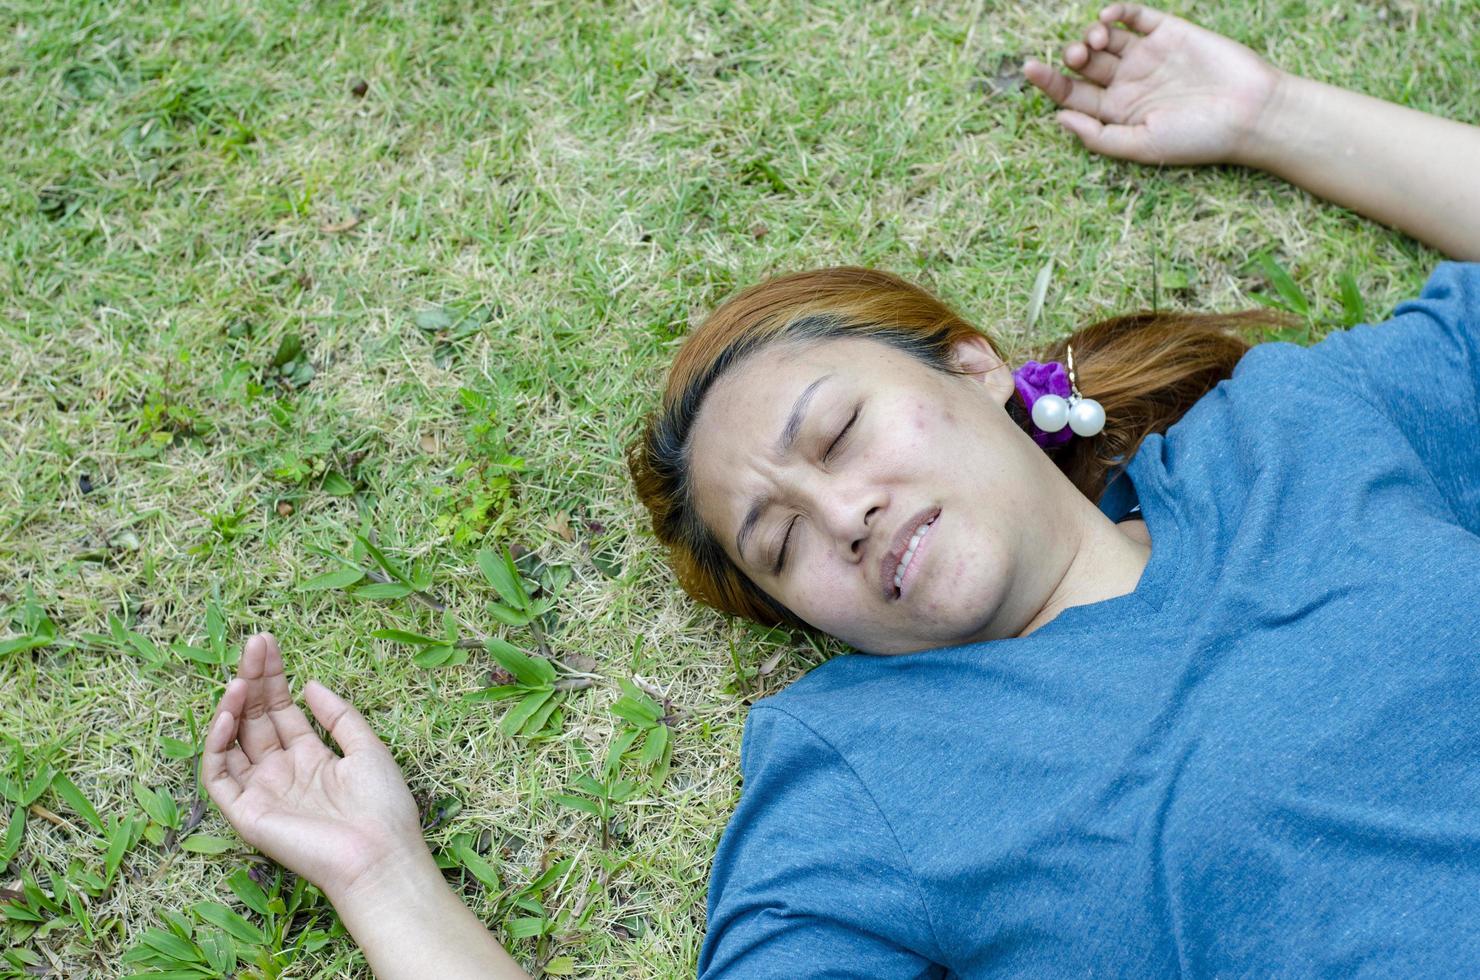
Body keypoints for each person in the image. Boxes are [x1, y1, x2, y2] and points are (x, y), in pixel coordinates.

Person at [202, 5, 1480, 977]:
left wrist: (1269, 114)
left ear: (978, 369)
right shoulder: (864, 774)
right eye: (780, 541)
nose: (844, 513)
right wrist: (384, 880)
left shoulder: (1287, 433)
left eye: (841, 431)